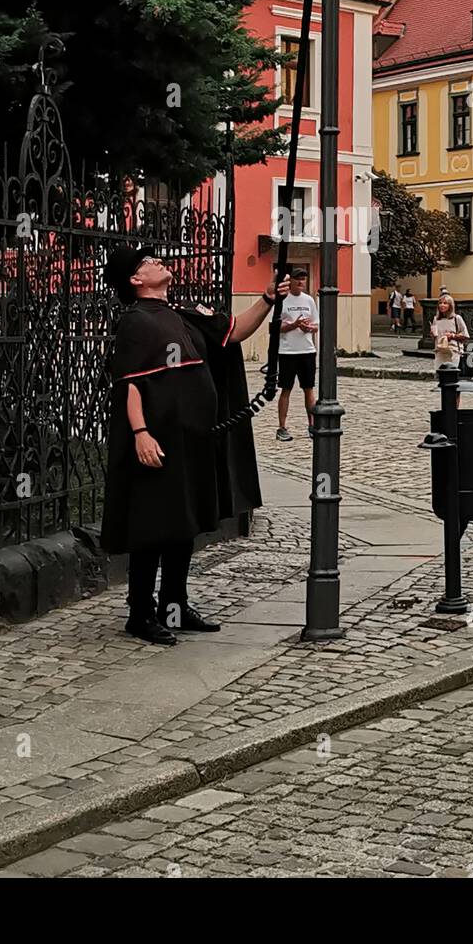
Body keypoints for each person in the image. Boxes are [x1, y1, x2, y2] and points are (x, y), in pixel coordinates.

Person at [102, 246, 289, 645]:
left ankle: (174, 604)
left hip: (193, 439)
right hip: (158, 441)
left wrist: (269, 299)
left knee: (183, 525)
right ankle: (140, 613)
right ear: (136, 280)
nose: (157, 262)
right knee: (154, 526)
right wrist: (140, 434)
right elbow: (130, 384)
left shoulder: (183, 315)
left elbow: (235, 330)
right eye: (147, 263)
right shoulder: (135, 322)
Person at [275, 268, 319, 441]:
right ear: (291, 281)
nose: (301, 282)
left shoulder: (309, 300)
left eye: (303, 279)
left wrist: (308, 328)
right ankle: (282, 427)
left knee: (309, 389)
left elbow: (316, 325)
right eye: (298, 279)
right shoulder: (282, 301)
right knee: (286, 389)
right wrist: (293, 325)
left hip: (307, 350)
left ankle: (312, 425)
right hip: (287, 351)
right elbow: (275, 327)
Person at [431, 293, 469, 372]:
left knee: (451, 373)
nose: (442, 305)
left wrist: (452, 336)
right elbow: (435, 337)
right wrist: (432, 334)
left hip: (453, 350)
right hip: (440, 350)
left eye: (445, 303)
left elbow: (465, 335)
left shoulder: (456, 318)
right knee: (439, 373)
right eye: (440, 303)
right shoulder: (436, 319)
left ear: (450, 305)